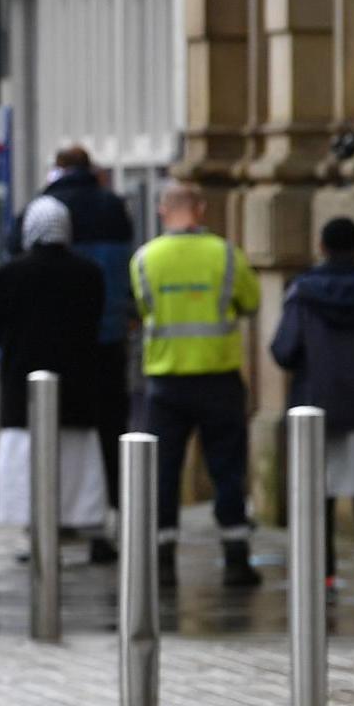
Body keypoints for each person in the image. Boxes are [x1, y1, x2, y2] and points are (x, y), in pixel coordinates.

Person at [132, 181, 263, 589]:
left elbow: (142, 308)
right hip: (218, 379)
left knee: (164, 472)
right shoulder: (226, 254)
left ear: (161, 210)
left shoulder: (144, 259)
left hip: (165, 383)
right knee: (227, 469)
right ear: (201, 210)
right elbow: (252, 302)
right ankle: (237, 559)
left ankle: (163, 560)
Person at [0, 197, 109, 549]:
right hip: (77, 385)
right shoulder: (89, 273)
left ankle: (32, 528)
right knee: (75, 459)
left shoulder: (8, 274)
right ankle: (77, 519)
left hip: (23, 384)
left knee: (25, 461)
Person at [271, 216, 354, 600]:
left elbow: (284, 350)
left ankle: (324, 576)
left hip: (313, 407)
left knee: (317, 495)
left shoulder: (302, 292)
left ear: (321, 246)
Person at [40, 146, 139, 539]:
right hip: (110, 336)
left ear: (59, 169)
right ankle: (113, 510)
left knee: (60, 431)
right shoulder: (113, 206)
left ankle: (60, 516)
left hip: (63, 343)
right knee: (111, 427)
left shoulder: (48, 206)